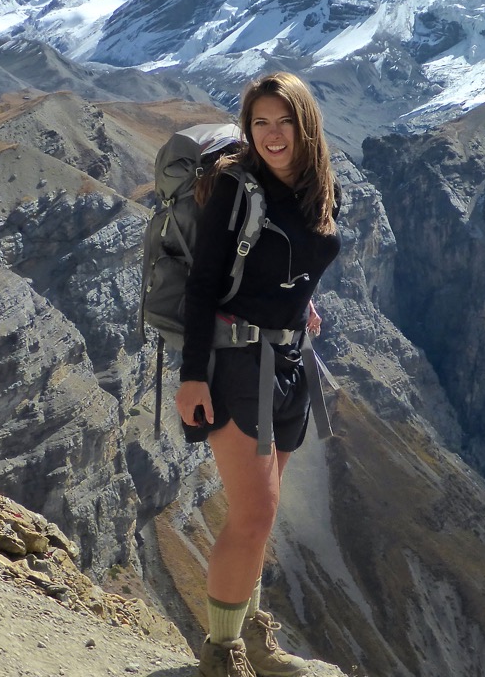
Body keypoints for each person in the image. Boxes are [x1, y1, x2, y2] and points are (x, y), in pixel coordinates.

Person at [175, 72, 341, 677]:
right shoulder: (234, 189)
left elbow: (301, 257)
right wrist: (192, 377)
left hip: (293, 362)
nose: (272, 135)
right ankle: (221, 654)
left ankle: (252, 639)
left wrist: (300, 304)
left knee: (261, 516)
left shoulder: (319, 187)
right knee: (253, 514)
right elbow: (202, 286)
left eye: (283, 122)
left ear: (306, 124)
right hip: (237, 363)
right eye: (260, 123)